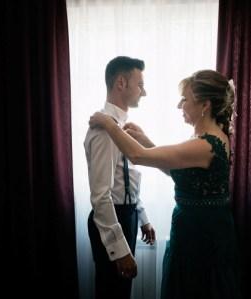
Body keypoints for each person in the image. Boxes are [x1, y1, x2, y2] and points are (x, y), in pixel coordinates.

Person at [89, 69, 243, 299]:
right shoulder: (207, 140)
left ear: (205, 105)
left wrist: (108, 123)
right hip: (198, 228)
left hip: (200, 235)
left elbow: (137, 156)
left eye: (185, 99)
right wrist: (145, 139)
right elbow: (175, 169)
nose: (180, 105)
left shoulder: (206, 145)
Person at [84, 56, 156, 299]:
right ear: (121, 83)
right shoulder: (104, 130)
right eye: (140, 85)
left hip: (128, 214)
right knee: (112, 292)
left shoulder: (124, 126)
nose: (144, 92)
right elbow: (101, 196)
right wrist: (119, 249)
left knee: (122, 291)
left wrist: (141, 215)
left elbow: (127, 178)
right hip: (112, 218)